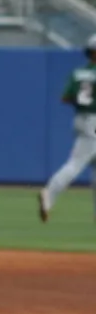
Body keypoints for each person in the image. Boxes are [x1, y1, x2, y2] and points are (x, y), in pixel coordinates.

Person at [38, 35, 96, 222]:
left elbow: (65, 98)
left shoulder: (78, 73)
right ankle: (49, 193)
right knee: (76, 164)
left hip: (80, 118)